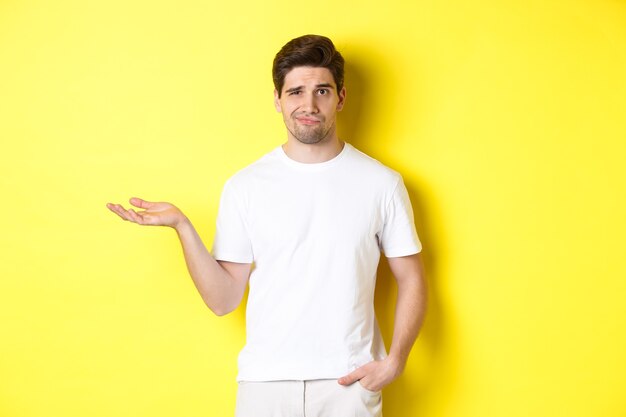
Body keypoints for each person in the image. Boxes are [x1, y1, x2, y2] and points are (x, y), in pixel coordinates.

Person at [106, 34, 427, 417]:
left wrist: (395, 362)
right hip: (265, 386)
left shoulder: (381, 183)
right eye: (296, 92)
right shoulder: (246, 187)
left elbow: (412, 278)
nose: (308, 104)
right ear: (277, 99)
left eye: (322, 90)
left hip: (350, 384)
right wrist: (182, 226)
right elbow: (224, 300)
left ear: (340, 97)